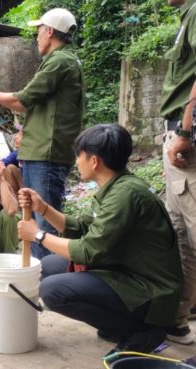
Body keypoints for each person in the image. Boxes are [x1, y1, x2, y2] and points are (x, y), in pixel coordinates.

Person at [17, 124, 183, 354]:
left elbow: (88, 250)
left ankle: (142, 330)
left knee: (53, 290)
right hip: (123, 270)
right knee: (49, 265)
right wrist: (43, 208)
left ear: (94, 161)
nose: (76, 161)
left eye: (79, 155)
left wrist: (37, 234)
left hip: (149, 291)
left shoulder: (125, 195)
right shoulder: (115, 187)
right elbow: (81, 226)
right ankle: (116, 325)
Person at [0, 8, 84, 259]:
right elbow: (29, 100)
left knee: (44, 224)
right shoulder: (63, 60)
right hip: (42, 153)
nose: (36, 37)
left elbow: (22, 101)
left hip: (47, 155)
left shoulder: (59, 61)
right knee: (32, 219)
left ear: (50, 31)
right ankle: (34, 278)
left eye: (38, 32)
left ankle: (45, 285)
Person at [158, 0, 196, 345]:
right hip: (177, 141)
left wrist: (187, 132)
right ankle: (178, 320)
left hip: (186, 142)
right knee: (179, 235)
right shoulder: (187, 15)